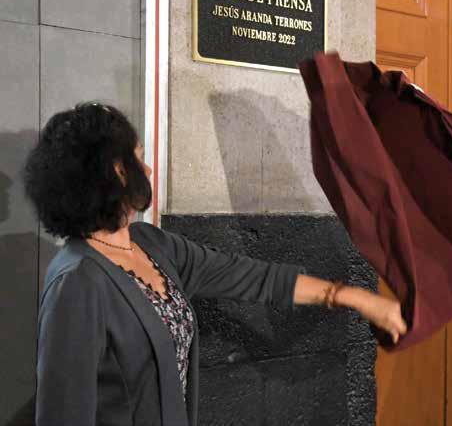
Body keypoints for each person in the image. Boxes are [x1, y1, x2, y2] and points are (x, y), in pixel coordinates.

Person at [24, 103, 407, 426]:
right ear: (116, 171)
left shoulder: (152, 245)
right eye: (138, 157)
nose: (149, 170)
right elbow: (63, 414)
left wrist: (356, 298)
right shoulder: (77, 281)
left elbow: (252, 277)